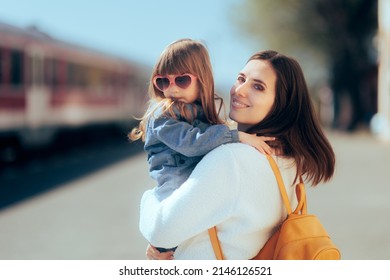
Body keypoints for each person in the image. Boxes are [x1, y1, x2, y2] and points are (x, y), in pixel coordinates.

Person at [139, 50, 336, 260]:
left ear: (280, 104)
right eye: (241, 79)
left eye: (258, 87)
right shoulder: (290, 160)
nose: (239, 90)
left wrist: (150, 198)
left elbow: (160, 232)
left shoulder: (231, 160)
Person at [130, 39, 274, 253]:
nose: (171, 89)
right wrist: (237, 136)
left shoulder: (199, 112)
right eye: (162, 82)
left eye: (181, 80)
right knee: (170, 223)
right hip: (173, 182)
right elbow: (193, 144)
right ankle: (161, 248)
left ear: (202, 80)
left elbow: (210, 139)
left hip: (192, 184)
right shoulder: (162, 114)